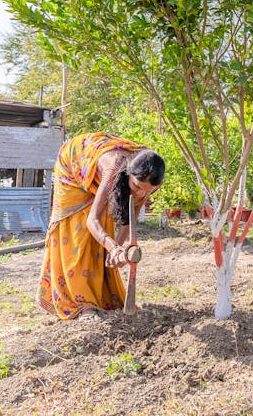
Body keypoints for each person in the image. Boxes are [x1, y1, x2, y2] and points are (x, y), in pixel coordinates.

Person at [37, 132, 165, 320]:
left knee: (103, 233)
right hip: (73, 164)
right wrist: (112, 247)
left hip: (105, 174)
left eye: (146, 191)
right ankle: (82, 303)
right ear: (128, 174)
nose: (139, 193)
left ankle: (102, 296)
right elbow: (92, 220)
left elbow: (130, 217)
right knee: (78, 231)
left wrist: (118, 249)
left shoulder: (151, 180)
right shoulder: (114, 169)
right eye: (136, 186)